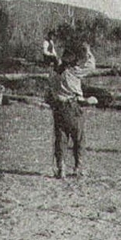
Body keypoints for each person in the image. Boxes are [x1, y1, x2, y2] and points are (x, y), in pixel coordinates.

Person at [47, 42, 97, 179]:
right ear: (72, 61)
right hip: (73, 106)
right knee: (79, 138)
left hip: (58, 107)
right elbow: (91, 66)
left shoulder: (53, 73)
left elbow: (50, 92)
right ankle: (78, 168)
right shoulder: (73, 72)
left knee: (61, 138)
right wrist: (88, 51)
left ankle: (61, 168)